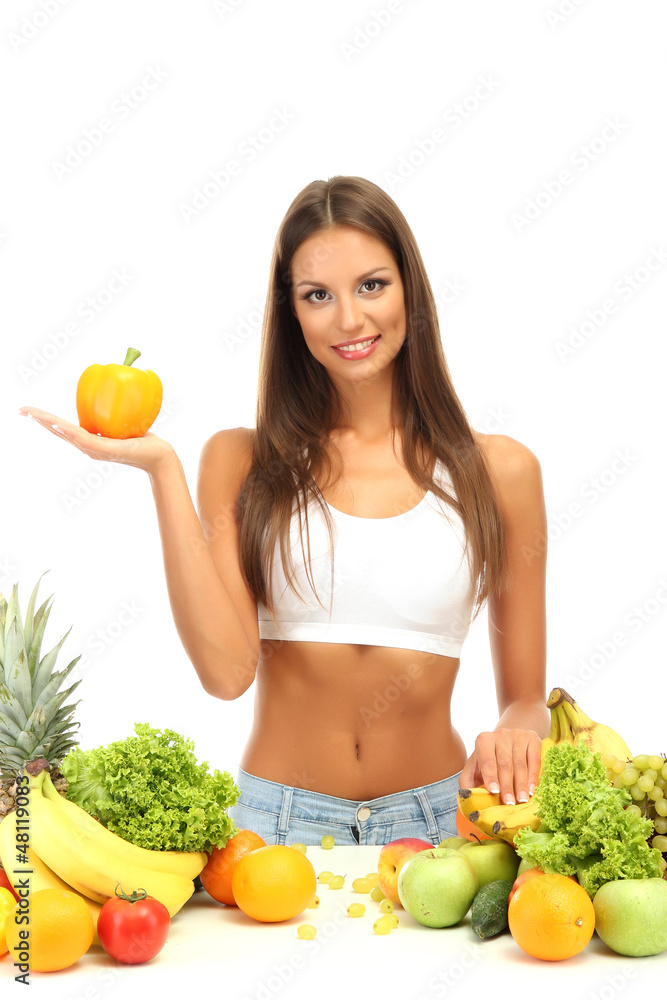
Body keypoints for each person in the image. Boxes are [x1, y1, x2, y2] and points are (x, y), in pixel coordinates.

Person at [19, 175, 549, 846]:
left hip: (442, 824)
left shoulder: (499, 472)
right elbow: (226, 675)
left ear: (410, 290)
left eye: (372, 285)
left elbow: (526, 701)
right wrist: (162, 471)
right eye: (317, 295)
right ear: (291, 313)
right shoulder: (241, 461)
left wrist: (516, 733)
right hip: (276, 827)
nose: (349, 320)